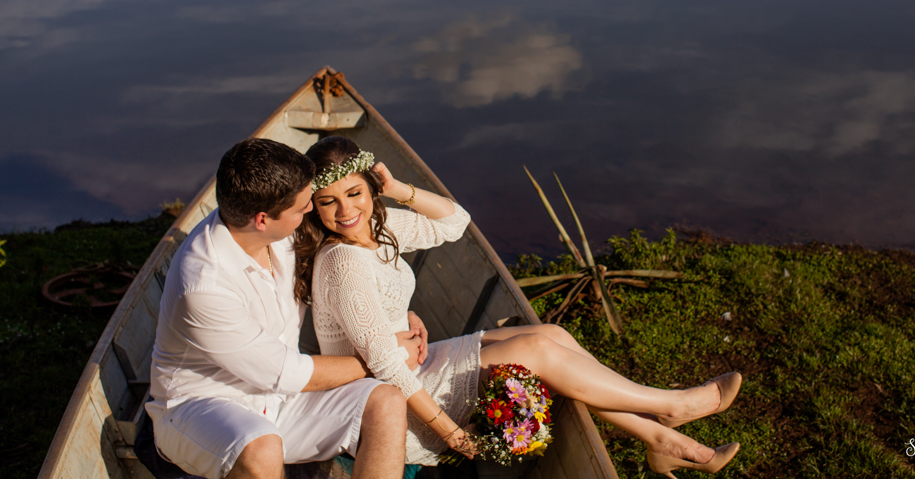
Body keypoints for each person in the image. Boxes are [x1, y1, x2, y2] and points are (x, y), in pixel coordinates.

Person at [293, 136, 742, 477]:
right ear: (314, 207)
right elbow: (386, 366)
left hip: (413, 365)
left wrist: (396, 188)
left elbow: (454, 222)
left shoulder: (378, 226)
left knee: (552, 335)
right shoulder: (342, 260)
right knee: (538, 351)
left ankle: (659, 437)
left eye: (356, 193)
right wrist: (453, 434)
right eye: (329, 202)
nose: (345, 211)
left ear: (371, 189)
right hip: (390, 405)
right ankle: (671, 406)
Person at [147, 137, 418, 479]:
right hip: (202, 408)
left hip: (283, 400)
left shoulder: (282, 230)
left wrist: (397, 314)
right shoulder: (203, 285)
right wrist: (386, 354)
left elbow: (358, 268)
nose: (311, 211)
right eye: (303, 207)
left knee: (386, 402)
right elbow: (286, 373)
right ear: (262, 219)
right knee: (262, 448)